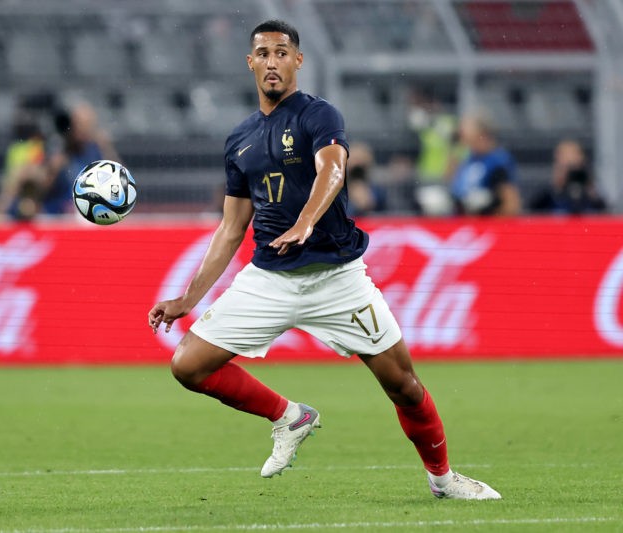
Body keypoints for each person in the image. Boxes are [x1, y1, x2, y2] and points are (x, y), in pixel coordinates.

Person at [148, 20, 500, 500]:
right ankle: (290, 417)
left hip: (337, 277)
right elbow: (231, 228)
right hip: (270, 279)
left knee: (405, 387)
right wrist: (187, 298)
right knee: (188, 364)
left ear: (298, 61)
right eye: (263, 53)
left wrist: (307, 221)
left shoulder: (318, 115)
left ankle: (444, 479)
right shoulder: (240, 140)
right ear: (250, 62)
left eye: (281, 52)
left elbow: (333, 170)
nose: (272, 62)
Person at [43, 101, 121, 215]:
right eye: (79, 125)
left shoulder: (97, 148)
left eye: (87, 125)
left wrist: (106, 147)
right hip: (59, 213)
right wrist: (54, 170)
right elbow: (42, 189)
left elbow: (119, 182)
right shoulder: (58, 146)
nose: (82, 130)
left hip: (90, 212)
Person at [449, 111, 521, 216]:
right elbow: (454, 188)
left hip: (483, 226)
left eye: (466, 126)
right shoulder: (468, 159)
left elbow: (511, 205)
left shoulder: (498, 161)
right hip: (463, 224)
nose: (461, 131)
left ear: (481, 132)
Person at [529, 139, 606, 215]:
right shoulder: (547, 197)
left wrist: (589, 189)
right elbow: (532, 211)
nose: (571, 173)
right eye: (566, 165)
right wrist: (556, 187)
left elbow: (605, 213)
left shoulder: (591, 194)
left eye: (574, 166)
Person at [345, 142, 386, 217]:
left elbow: (386, 214)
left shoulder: (378, 189)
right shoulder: (338, 190)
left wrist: (370, 203)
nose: (357, 164)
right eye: (354, 159)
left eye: (360, 159)